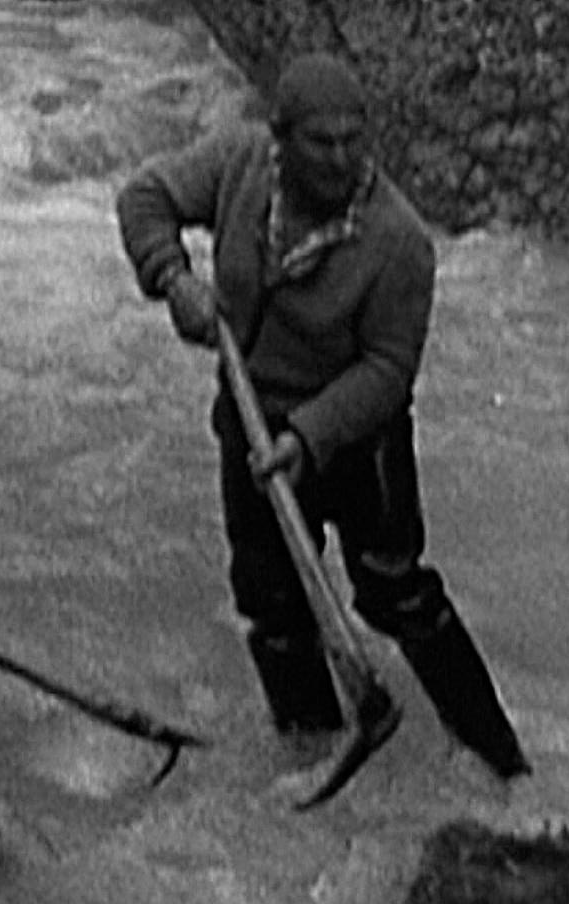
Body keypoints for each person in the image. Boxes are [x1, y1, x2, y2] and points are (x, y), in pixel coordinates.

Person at [114, 53, 531, 780]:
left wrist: (308, 439)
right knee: (272, 604)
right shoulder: (241, 164)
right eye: (321, 142)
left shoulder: (398, 241)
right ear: (282, 139)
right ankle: (313, 754)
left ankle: (500, 761)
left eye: (352, 140)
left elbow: (389, 369)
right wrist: (172, 277)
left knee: (395, 594)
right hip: (251, 419)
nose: (341, 159)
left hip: (358, 436)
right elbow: (144, 197)